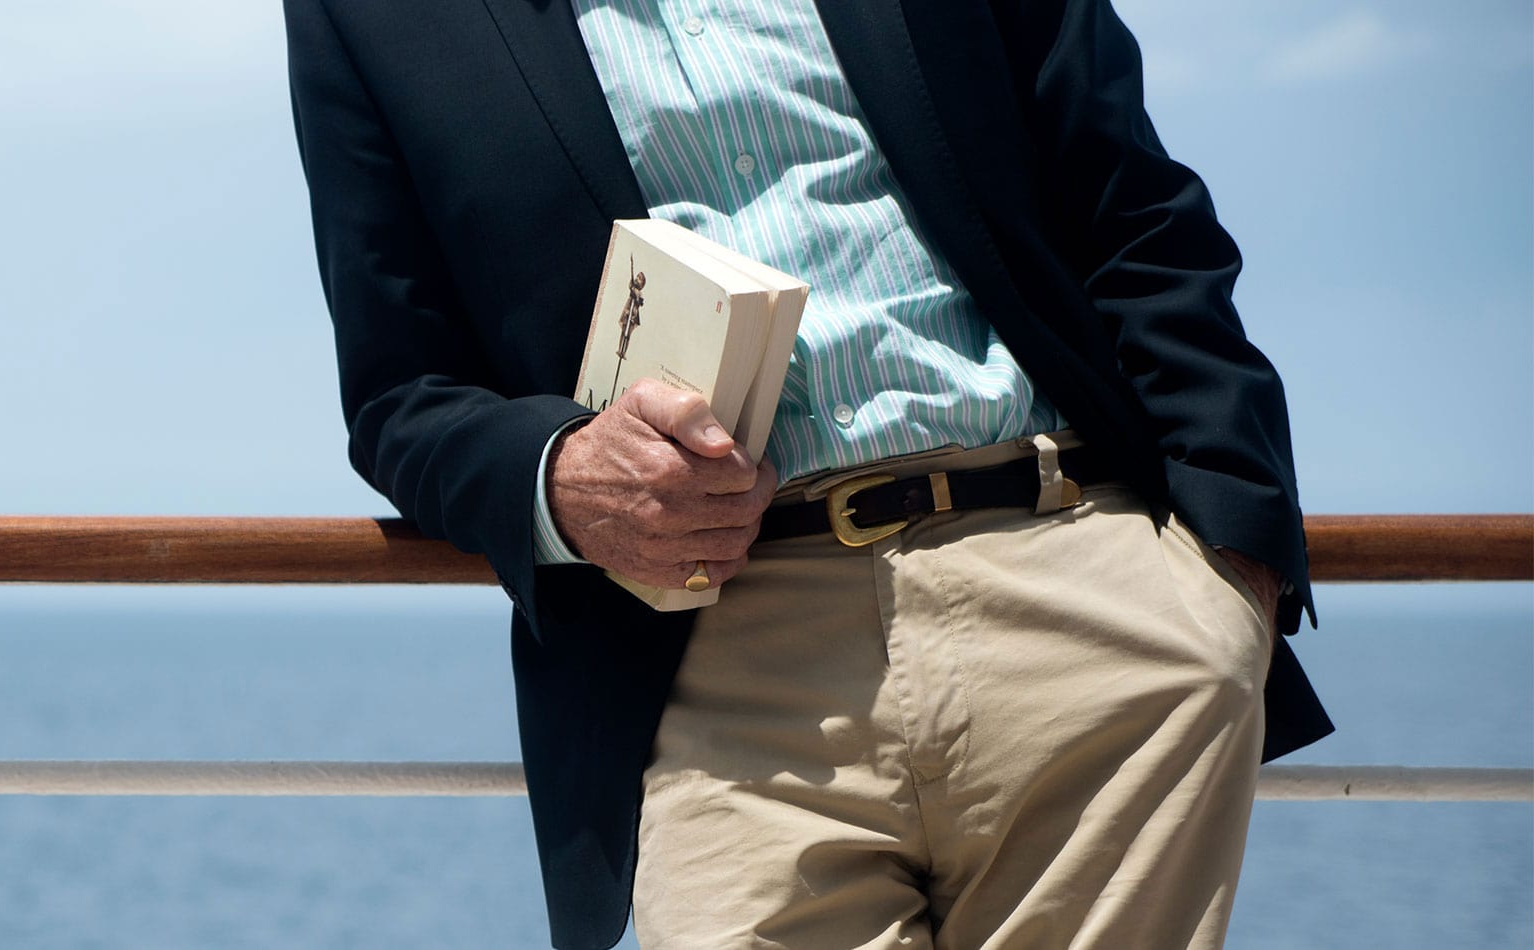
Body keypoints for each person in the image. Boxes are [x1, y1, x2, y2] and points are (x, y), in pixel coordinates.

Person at [282, 1, 1334, 948]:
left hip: (1087, 608)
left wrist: (1228, 571)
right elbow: (399, 394)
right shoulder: (367, 16)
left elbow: (1137, 211)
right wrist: (561, 476)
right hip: (716, 669)